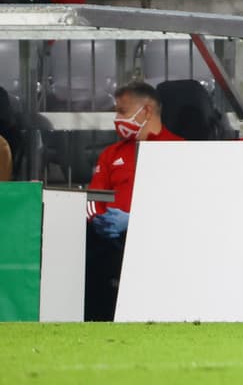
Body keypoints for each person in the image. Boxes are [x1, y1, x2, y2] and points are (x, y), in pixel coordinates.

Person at [85, 82, 183, 321]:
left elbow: (186, 207)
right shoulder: (111, 154)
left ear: (147, 111)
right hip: (112, 247)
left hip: (164, 245)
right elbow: (93, 198)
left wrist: (137, 221)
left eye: (122, 111)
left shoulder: (182, 151)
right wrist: (98, 220)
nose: (117, 119)